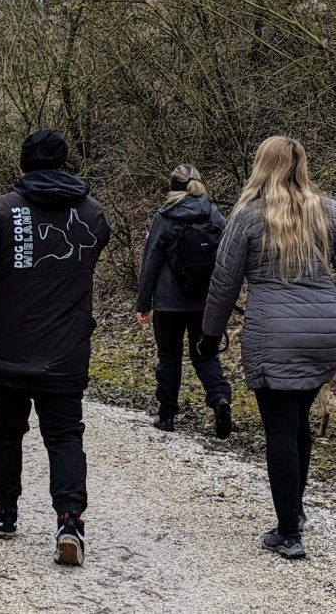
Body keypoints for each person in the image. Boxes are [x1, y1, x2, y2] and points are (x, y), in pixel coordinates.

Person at [0, 129, 110, 567]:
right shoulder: (92, 215)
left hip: (8, 351)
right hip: (68, 350)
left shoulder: (0, 213)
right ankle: (69, 519)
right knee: (66, 435)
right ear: (66, 163)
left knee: (5, 431)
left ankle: (5, 511)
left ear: (22, 165)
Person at [201, 136, 336, 560]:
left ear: (262, 165)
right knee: (297, 423)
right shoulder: (328, 211)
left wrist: (209, 335)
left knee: (279, 428)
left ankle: (289, 532)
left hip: (273, 331)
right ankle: (294, 511)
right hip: (325, 330)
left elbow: (225, 282)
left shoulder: (248, 216)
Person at [135, 164, 232, 437]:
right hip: (204, 302)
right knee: (205, 355)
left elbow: (151, 262)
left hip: (168, 303)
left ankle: (166, 416)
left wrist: (143, 304)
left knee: (169, 358)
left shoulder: (165, 217)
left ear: (172, 187)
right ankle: (220, 398)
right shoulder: (214, 216)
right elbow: (227, 259)